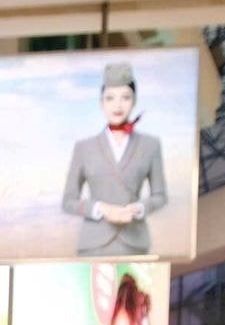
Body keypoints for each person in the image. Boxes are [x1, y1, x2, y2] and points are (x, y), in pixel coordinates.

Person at [61, 61, 168, 257]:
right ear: (101, 102)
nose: (117, 105)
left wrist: (137, 209)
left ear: (134, 100)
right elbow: (68, 201)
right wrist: (102, 209)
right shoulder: (84, 148)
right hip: (93, 245)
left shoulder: (150, 145)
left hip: (134, 243)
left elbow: (160, 196)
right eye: (110, 98)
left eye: (125, 97)